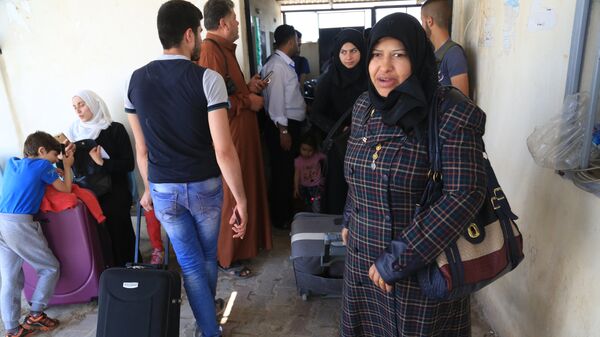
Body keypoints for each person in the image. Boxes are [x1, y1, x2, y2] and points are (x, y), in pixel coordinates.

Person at [340, 13, 487, 336]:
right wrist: (350, 217)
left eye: (399, 55)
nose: (384, 67)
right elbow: (359, 169)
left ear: (418, 56)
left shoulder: (450, 112)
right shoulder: (366, 106)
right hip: (363, 265)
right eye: (377, 55)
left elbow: (466, 195)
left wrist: (398, 259)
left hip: (420, 272)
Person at [125, 1, 247, 336]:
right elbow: (223, 149)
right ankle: (209, 328)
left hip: (164, 190)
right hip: (206, 186)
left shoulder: (135, 80)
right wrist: (241, 199)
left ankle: (207, 323)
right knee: (206, 260)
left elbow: (142, 149)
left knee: (191, 263)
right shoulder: (208, 79)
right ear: (190, 34)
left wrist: (147, 189)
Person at [198, 0, 272, 278]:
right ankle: (226, 257)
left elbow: (227, 90)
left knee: (246, 186)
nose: (239, 23)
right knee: (232, 192)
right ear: (224, 23)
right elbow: (211, 102)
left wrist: (248, 88)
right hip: (232, 135)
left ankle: (243, 247)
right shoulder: (210, 51)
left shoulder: (223, 50)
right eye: (234, 18)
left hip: (243, 133)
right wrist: (246, 101)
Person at [0, 131, 74, 337]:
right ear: (42, 151)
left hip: (1, 223)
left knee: (10, 278)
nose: (54, 162)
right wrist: (67, 166)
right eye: (53, 156)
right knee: (50, 267)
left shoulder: (13, 163)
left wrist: (56, 156)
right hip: (19, 225)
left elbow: (29, 178)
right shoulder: (43, 166)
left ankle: (13, 329)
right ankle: (35, 315)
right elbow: (66, 189)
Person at [65, 90, 136, 267]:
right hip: (86, 191)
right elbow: (70, 170)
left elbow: (128, 165)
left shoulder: (114, 129)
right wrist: (64, 160)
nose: (78, 110)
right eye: (75, 107)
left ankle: (127, 271)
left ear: (94, 104)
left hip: (114, 189)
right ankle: (103, 276)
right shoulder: (72, 134)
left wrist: (103, 162)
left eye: (82, 104)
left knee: (118, 228)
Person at [309, 29, 366, 214]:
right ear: (337, 54)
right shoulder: (328, 80)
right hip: (339, 146)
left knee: (364, 188)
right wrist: (340, 128)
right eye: (343, 52)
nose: (348, 57)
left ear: (363, 51)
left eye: (354, 51)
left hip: (368, 144)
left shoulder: (371, 78)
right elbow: (315, 114)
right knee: (338, 188)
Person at [261, 24, 306, 229]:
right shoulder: (277, 66)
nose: (298, 44)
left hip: (286, 125)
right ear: (290, 41)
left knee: (286, 171)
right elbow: (276, 102)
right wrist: (284, 131)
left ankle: (285, 213)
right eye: (297, 40)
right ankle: (280, 218)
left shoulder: (282, 63)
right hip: (282, 127)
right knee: (282, 173)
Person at [421, 0, 470, 97]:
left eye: (422, 21)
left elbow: (462, 104)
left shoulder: (454, 54)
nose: (422, 26)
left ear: (429, 21)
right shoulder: (433, 53)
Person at [293, 132, 326, 213]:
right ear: (299, 147)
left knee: (316, 205)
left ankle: (317, 218)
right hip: (304, 187)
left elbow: (327, 158)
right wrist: (296, 188)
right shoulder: (298, 161)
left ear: (314, 149)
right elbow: (296, 175)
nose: (307, 153)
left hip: (316, 187)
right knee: (307, 204)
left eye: (310, 150)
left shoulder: (318, 156)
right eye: (304, 149)